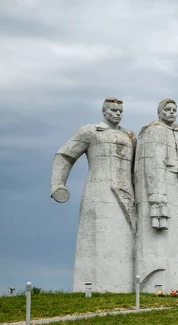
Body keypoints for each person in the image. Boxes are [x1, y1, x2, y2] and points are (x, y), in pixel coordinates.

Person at [50, 97, 136, 292]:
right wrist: (57, 184)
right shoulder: (90, 131)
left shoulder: (129, 136)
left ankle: (124, 288)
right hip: (98, 193)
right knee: (97, 241)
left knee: (124, 243)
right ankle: (92, 287)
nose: (118, 114)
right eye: (113, 110)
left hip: (127, 196)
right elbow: (64, 155)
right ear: (104, 112)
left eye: (120, 111)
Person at [134, 98, 178, 292]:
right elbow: (151, 164)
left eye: (174, 110)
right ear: (160, 112)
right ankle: (157, 285)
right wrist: (157, 197)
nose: (172, 112)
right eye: (168, 109)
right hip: (162, 187)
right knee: (160, 239)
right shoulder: (153, 131)